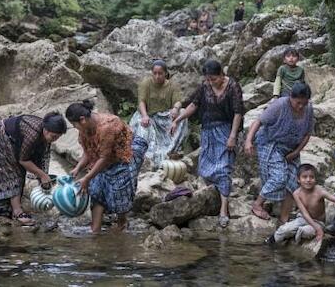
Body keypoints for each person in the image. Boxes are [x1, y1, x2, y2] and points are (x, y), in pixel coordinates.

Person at [171, 60, 244, 228]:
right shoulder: (205, 86)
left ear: (221, 75)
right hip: (208, 131)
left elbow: (238, 112)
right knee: (205, 168)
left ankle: (224, 210)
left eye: (214, 79)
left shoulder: (233, 86)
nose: (211, 82)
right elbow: (194, 105)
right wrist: (178, 119)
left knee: (223, 168)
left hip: (226, 131)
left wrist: (233, 135)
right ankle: (213, 200)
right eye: (208, 79)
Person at [65, 100, 148, 233]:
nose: (74, 127)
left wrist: (86, 178)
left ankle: (122, 223)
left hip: (125, 153)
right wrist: (78, 168)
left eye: (74, 124)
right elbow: (88, 152)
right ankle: (95, 228)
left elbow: (104, 158)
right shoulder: (85, 128)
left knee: (120, 190)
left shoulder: (107, 127)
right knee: (96, 189)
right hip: (104, 157)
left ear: (82, 120)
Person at [245, 82, 314, 224]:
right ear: (290, 98)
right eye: (298, 103)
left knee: (293, 182)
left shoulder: (308, 109)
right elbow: (258, 121)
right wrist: (248, 141)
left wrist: (296, 152)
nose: (301, 106)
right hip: (271, 143)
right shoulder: (280, 105)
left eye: (304, 103)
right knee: (279, 177)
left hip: (291, 148)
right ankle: (257, 204)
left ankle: (284, 219)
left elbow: (307, 134)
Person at [0, 112, 67, 225]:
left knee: (21, 171)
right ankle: (17, 211)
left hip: (14, 140)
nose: (54, 140)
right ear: (45, 130)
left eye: (57, 137)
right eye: (54, 137)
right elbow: (23, 160)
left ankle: (12, 209)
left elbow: (42, 158)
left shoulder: (45, 134)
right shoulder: (33, 133)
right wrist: (42, 175)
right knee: (14, 172)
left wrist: (44, 183)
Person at [266, 164, 335, 244]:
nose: (308, 180)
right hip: (302, 219)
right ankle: (269, 242)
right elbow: (304, 213)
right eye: (304, 177)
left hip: (318, 222)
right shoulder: (296, 193)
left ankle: (294, 237)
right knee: (284, 229)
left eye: (311, 177)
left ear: (315, 179)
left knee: (305, 232)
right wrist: (317, 229)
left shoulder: (320, 191)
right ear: (298, 179)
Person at [129, 60, 188, 167]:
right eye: (154, 73)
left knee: (183, 113)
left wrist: (175, 108)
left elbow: (178, 101)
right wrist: (145, 116)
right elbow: (141, 102)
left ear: (165, 73)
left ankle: (171, 149)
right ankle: (146, 156)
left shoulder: (172, 85)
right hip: (148, 115)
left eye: (160, 73)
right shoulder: (145, 84)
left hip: (164, 117)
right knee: (141, 125)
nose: (157, 76)